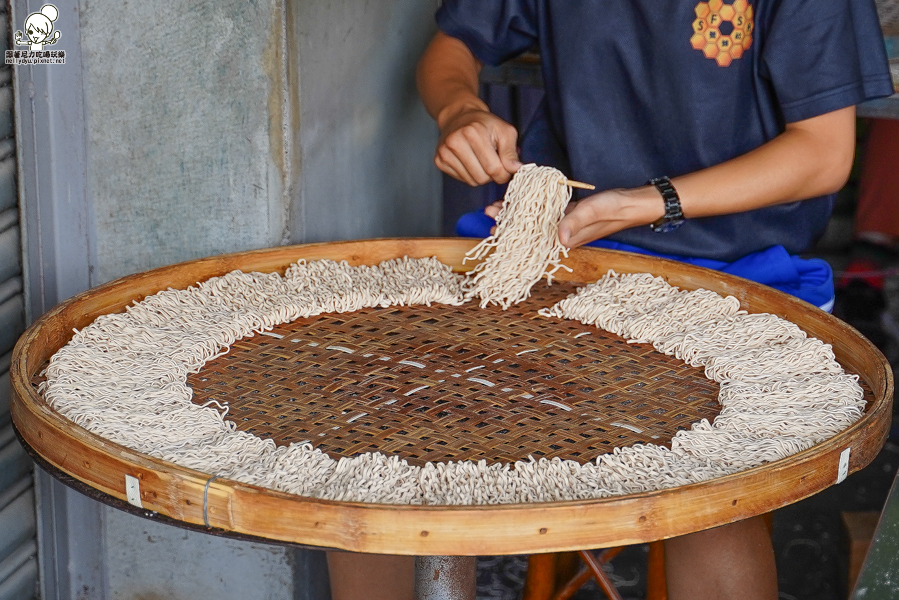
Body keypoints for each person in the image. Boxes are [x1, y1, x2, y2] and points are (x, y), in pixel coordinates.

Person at [329, 1, 894, 599]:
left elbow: (823, 154)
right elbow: (453, 44)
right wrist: (459, 109)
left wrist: (645, 204)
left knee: (712, 499)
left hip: (738, 273)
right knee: (381, 462)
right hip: (553, 250)